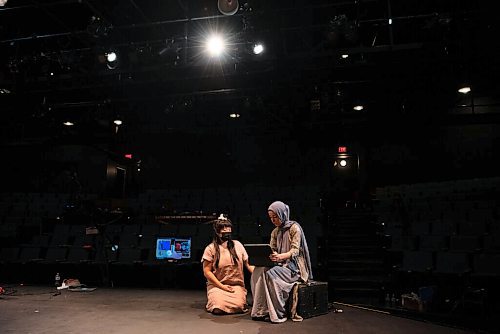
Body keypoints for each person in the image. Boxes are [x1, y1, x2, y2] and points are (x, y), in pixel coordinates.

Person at [251, 201, 313, 323]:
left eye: (275, 217)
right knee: (259, 270)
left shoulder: (294, 228)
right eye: (271, 218)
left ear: (282, 214)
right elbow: (272, 248)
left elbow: (295, 251)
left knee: (270, 274)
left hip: (293, 268)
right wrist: (270, 255)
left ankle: (278, 312)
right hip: (279, 265)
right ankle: (262, 310)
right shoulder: (275, 232)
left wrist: (281, 257)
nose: (273, 220)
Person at [202, 214, 254, 314]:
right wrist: (222, 286)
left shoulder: (238, 245)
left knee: (238, 306)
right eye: (223, 230)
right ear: (217, 232)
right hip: (217, 286)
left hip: (236, 285)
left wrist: (259, 274)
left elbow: (248, 264)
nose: (226, 232)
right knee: (218, 308)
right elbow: (207, 271)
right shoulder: (210, 249)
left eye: (228, 229)